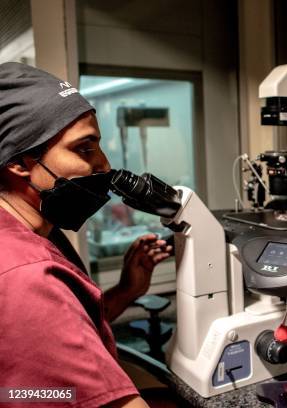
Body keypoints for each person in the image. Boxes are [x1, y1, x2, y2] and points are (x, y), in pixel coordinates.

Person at [0, 63, 173, 407]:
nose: (104, 165)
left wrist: (126, 290)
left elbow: (56, 340)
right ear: (20, 162)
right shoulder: (27, 275)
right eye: (83, 149)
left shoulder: (28, 230)